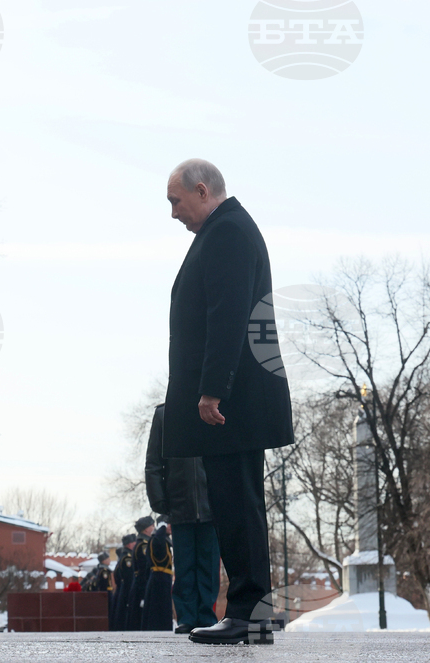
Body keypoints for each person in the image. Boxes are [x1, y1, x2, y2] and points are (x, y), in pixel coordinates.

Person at [162, 159, 294, 645]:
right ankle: (253, 613)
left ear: (201, 191)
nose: (174, 213)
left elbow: (229, 314)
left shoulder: (227, 232)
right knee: (238, 502)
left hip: (231, 399)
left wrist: (212, 388)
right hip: (238, 395)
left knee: (236, 503)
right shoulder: (228, 229)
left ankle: (246, 611)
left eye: (176, 201)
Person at [145, 403, 220, 633]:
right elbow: (154, 461)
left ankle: (207, 616)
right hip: (179, 502)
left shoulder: (215, 408)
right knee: (185, 565)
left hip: (212, 502)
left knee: (208, 566)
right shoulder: (165, 413)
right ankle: (186, 617)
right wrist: (158, 500)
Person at [141, 515, 174, 631]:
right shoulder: (157, 539)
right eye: (169, 524)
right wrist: (162, 527)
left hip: (162, 578)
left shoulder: (162, 539)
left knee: (163, 608)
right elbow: (158, 545)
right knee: (158, 609)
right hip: (159, 579)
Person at [126, 516, 155, 630]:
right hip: (141, 586)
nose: (154, 528)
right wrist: (144, 591)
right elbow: (143, 570)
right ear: (146, 529)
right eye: (152, 526)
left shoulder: (143, 543)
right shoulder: (143, 545)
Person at [110, 535, 136, 630]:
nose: (136, 544)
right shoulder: (127, 558)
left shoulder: (125, 556)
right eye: (134, 543)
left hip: (122, 590)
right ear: (129, 544)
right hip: (126, 590)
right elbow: (129, 578)